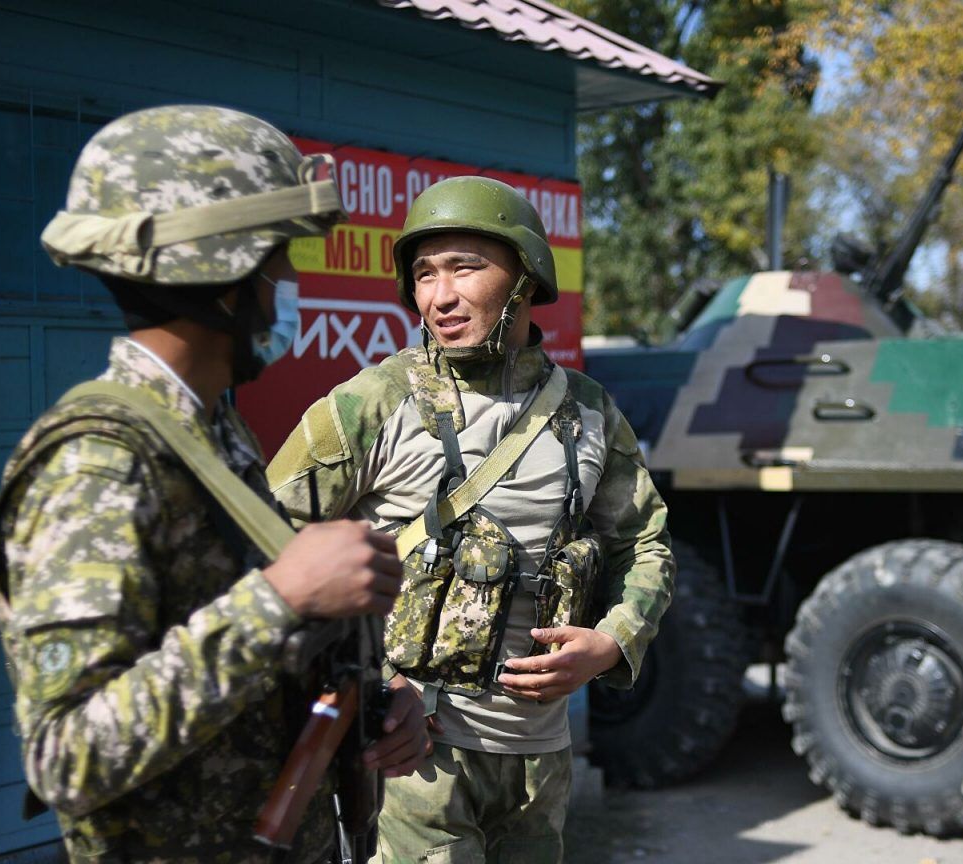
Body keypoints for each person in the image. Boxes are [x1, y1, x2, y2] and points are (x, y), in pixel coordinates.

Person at [0, 105, 429, 863]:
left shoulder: (211, 433)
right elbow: (67, 755)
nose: (289, 285)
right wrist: (279, 598)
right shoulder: (98, 463)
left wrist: (373, 707)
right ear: (221, 277)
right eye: (279, 264)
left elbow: (237, 684)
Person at [267, 175, 675, 863]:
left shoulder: (588, 412)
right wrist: (367, 688)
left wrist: (612, 642)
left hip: (540, 759)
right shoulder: (373, 403)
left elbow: (644, 542)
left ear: (525, 275)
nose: (439, 295)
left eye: (465, 267)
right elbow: (267, 552)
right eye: (424, 273)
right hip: (416, 759)